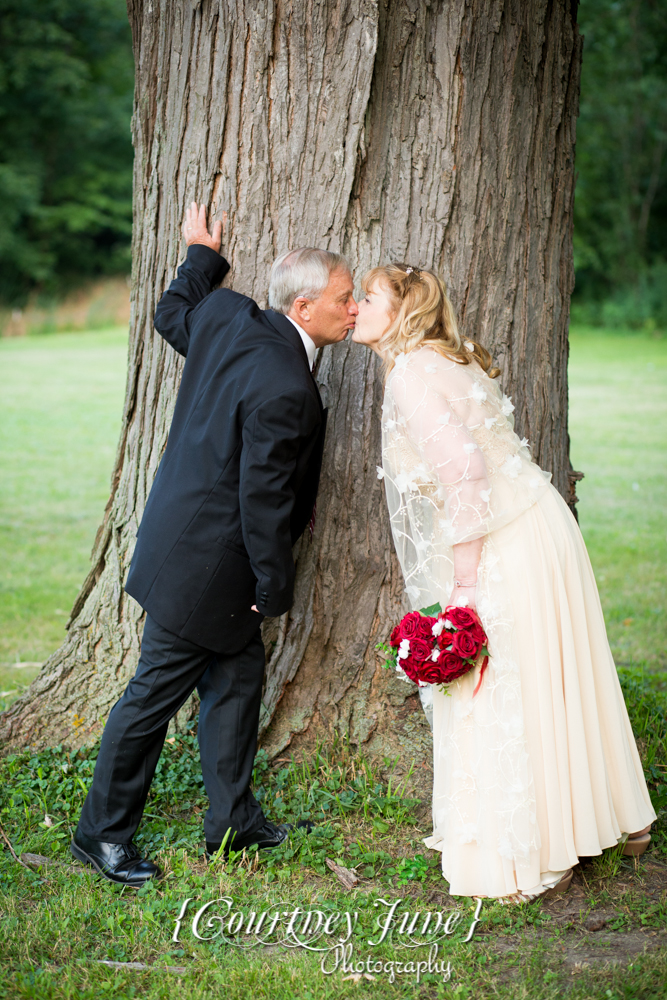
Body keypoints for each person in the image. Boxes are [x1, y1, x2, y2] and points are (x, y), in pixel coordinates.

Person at [71, 203, 359, 887]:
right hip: (207, 568)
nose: (353, 310)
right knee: (150, 698)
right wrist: (272, 587)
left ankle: (232, 820)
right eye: (345, 300)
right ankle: (99, 835)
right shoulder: (290, 387)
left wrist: (200, 256)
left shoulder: (230, 318)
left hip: (181, 541)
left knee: (237, 682)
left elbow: (174, 316)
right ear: (306, 304)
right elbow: (262, 501)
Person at [352, 262, 655, 902]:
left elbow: (464, 471)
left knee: (499, 688)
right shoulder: (448, 360)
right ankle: (602, 820)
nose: (357, 304)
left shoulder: (410, 371)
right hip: (540, 521)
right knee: (556, 676)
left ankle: (529, 854)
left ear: (402, 310)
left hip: (503, 541)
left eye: (370, 295)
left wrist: (462, 583)